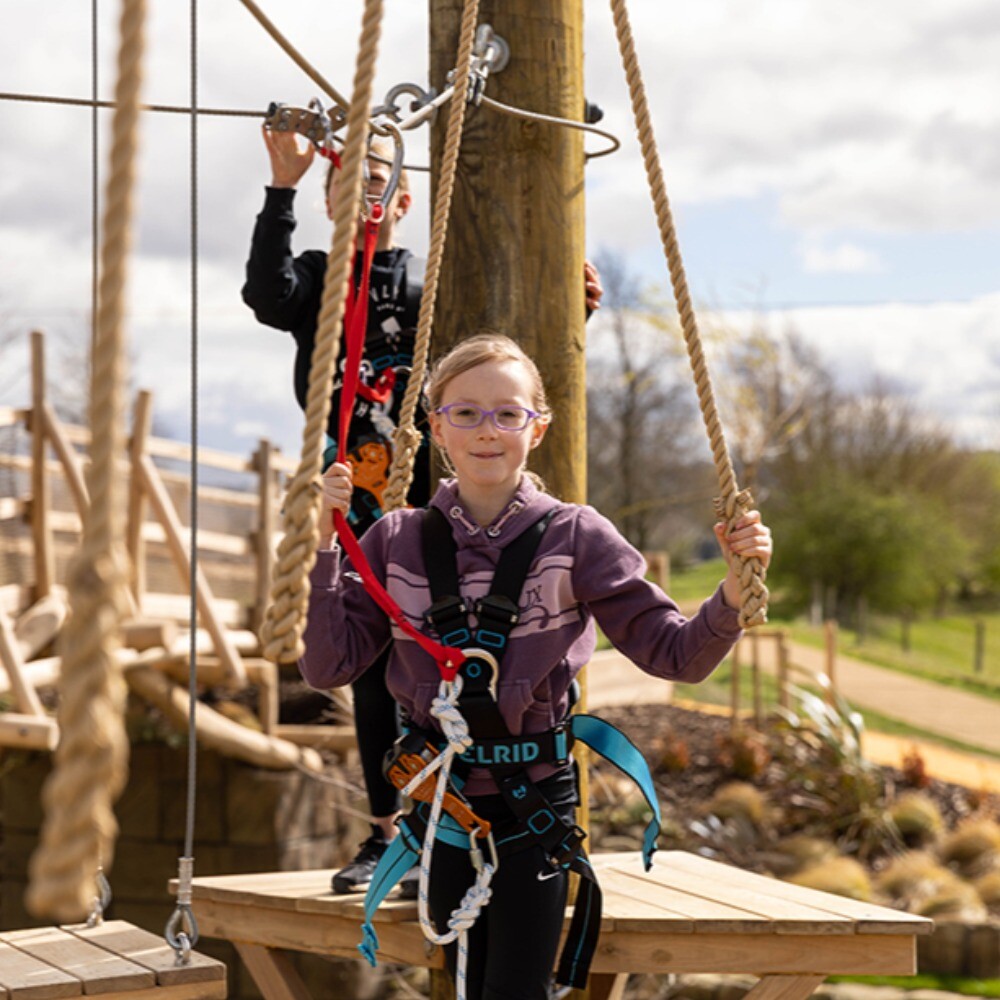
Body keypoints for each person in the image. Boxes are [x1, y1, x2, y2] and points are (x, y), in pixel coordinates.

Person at [301, 333, 773, 999]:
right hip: (444, 813)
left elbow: (675, 655)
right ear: (436, 427)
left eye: (507, 413)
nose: (486, 431)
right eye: (464, 413)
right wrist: (325, 550)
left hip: (534, 811)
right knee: (463, 986)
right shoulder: (395, 541)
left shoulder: (577, 539)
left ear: (538, 426)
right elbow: (329, 665)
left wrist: (731, 591)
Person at [243, 127, 607, 901]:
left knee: (473, 660)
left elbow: (493, 359)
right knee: (374, 672)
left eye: (378, 180)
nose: (364, 193)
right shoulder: (319, 277)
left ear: (405, 198)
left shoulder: (428, 284)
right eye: (347, 183)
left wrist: (559, 298)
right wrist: (283, 187)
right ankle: (389, 835)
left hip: (426, 508)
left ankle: (498, 817)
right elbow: (266, 295)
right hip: (356, 503)